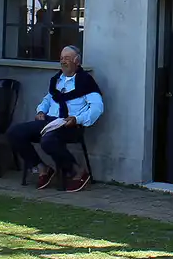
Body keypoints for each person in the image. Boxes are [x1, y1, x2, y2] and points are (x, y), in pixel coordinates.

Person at [6, 46, 102, 193]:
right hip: (49, 122)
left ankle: (77, 171)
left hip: (70, 125)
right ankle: (42, 168)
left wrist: (77, 119)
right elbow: (48, 98)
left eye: (67, 59)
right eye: (61, 58)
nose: (63, 62)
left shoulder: (86, 82)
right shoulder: (57, 80)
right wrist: (41, 110)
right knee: (15, 132)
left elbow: (97, 107)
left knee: (48, 140)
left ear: (77, 61)